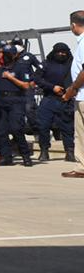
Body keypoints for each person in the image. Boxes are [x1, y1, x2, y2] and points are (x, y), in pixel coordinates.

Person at [34, 42, 76, 162]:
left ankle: (69, 152)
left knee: (67, 127)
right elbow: (37, 78)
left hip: (66, 99)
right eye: (59, 52)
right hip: (49, 98)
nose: (61, 54)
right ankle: (44, 151)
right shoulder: (46, 64)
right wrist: (52, 87)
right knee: (43, 126)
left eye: (64, 52)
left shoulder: (72, 64)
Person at [60, 10, 84, 177]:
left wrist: (72, 89)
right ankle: (82, 167)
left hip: (82, 93)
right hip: (81, 95)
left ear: (73, 25)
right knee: (80, 134)